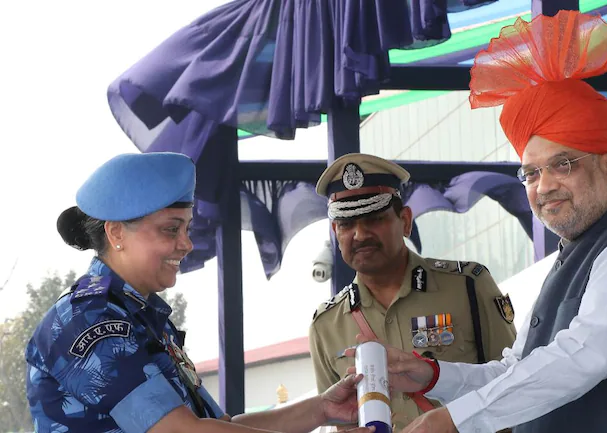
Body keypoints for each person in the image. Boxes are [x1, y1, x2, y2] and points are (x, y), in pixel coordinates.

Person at [345, 11, 607, 433]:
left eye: (563, 165)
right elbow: (521, 368)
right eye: (531, 173)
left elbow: (579, 358)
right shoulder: (579, 250)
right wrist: (434, 375)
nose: (544, 186)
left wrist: (452, 422)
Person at [25, 152, 375, 433]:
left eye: (187, 228)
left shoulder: (140, 317)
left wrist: (322, 409)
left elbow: (214, 425)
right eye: (170, 229)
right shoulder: (88, 318)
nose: (186, 244)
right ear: (116, 233)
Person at [309, 153, 518, 431]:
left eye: (373, 219)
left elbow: (517, 381)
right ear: (336, 232)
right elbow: (335, 419)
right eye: (346, 224)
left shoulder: (468, 286)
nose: (359, 235)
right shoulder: (325, 326)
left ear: (405, 221)